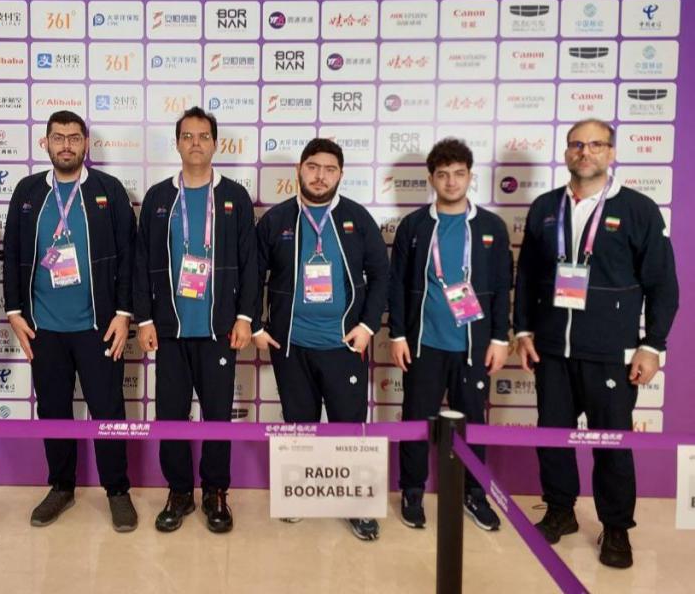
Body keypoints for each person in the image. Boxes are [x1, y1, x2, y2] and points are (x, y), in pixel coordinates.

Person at [515, 118, 678, 569]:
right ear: (566, 152)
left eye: (595, 144)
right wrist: (523, 331)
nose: (584, 152)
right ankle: (561, 510)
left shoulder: (639, 209)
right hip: (552, 349)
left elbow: (663, 285)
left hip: (610, 353)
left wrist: (653, 346)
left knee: (612, 444)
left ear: (611, 152)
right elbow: (527, 276)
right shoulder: (545, 207)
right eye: (576, 145)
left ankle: (617, 527)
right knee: (553, 437)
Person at [3, 110, 138, 531]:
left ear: (86, 144)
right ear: (45, 143)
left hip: (98, 327)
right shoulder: (28, 192)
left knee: (108, 410)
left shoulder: (108, 190)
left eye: (74, 137)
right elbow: (12, 251)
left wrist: (123, 314)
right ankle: (61, 487)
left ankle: (117, 490)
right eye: (58, 137)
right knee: (53, 409)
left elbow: (129, 255)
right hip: (44, 328)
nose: (66, 145)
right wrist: (14, 311)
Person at [253, 138, 389, 540]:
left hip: (344, 344)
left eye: (329, 169)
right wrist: (257, 326)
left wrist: (368, 326)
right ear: (299, 169)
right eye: (313, 167)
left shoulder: (357, 219)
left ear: (340, 175)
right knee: (299, 424)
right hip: (291, 345)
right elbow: (251, 274)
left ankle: (357, 506)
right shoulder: (276, 219)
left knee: (349, 427)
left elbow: (381, 275)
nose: (320, 176)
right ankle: (298, 496)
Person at [134, 107, 257, 534]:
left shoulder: (234, 197)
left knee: (218, 415)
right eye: (188, 136)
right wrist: (144, 319)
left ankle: (216, 492)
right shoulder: (158, 198)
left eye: (204, 136)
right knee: (171, 414)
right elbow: (141, 262)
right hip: (170, 329)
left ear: (216, 143)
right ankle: (180, 491)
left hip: (219, 329)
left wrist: (245, 317)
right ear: (177, 143)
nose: (196, 144)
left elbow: (250, 263)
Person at [388, 138, 512, 532]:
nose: (451, 181)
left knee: (472, 422)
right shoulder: (414, 226)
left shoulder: (491, 227)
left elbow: (502, 287)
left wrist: (500, 338)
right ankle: (412, 490)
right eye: (443, 174)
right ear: (431, 178)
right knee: (415, 421)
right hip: (425, 344)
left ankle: (474, 493)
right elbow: (397, 284)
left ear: (470, 176)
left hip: (473, 347)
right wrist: (398, 335)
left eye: (459, 174)